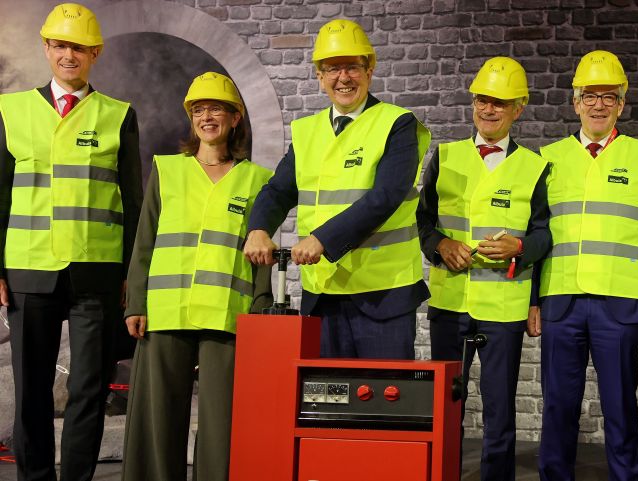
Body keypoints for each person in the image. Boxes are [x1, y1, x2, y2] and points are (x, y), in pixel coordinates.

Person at [0, 4, 142, 480]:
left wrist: (131, 275)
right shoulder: (10, 109)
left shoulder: (119, 115)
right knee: (33, 389)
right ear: (46, 48)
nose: (68, 55)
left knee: (88, 388)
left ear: (95, 53)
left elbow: (134, 200)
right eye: (60, 45)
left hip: (96, 272)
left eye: (78, 47)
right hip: (28, 267)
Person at [243, 18, 430, 359]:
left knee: (380, 407)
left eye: (351, 67)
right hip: (323, 295)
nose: (342, 78)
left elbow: (384, 197)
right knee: (328, 407)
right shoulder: (306, 131)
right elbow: (278, 190)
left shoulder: (397, 124)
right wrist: (258, 228)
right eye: (332, 69)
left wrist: (322, 239)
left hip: (383, 293)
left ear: (369, 69)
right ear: (319, 76)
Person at [120, 72, 272, 481]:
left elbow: (260, 253)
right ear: (191, 119)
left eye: (217, 109)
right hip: (165, 312)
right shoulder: (167, 171)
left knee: (224, 422)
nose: (207, 117)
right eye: (199, 110)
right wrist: (137, 300)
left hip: (228, 314)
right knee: (158, 419)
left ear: (235, 118)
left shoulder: (257, 181)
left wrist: (261, 305)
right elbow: (144, 240)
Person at [532, 50, 638, 481]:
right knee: (558, 403)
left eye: (608, 96)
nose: (598, 105)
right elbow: (537, 233)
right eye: (589, 96)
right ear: (574, 102)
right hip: (562, 302)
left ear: (621, 104)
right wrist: (534, 299)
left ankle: (625, 476)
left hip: (621, 304)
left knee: (620, 404)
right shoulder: (547, 158)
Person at [416, 57, 551, 481]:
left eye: (499, 102)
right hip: (450, 304)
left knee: (499, 411)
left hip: (503, 309)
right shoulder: (446, 155)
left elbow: (546, 234)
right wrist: (440, 244)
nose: (488, 109)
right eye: (481, 100)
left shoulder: (535, 167)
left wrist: (521, 246)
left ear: (519, 108)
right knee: (445, 407)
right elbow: (423, 222)